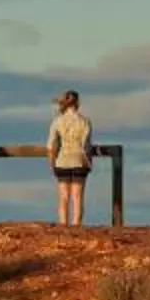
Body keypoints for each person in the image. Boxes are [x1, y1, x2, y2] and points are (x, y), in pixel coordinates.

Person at [47, 89, 95, 226]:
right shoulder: (85, 121)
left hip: (62, 161)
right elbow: (87, 145)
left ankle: (63, 224)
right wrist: (89, 161)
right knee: (77, 197)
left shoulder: (57, 121)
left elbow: (50, 145)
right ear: (78, 102)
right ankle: (76, 225)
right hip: (79, 161)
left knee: (63, 197)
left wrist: (52, 163)